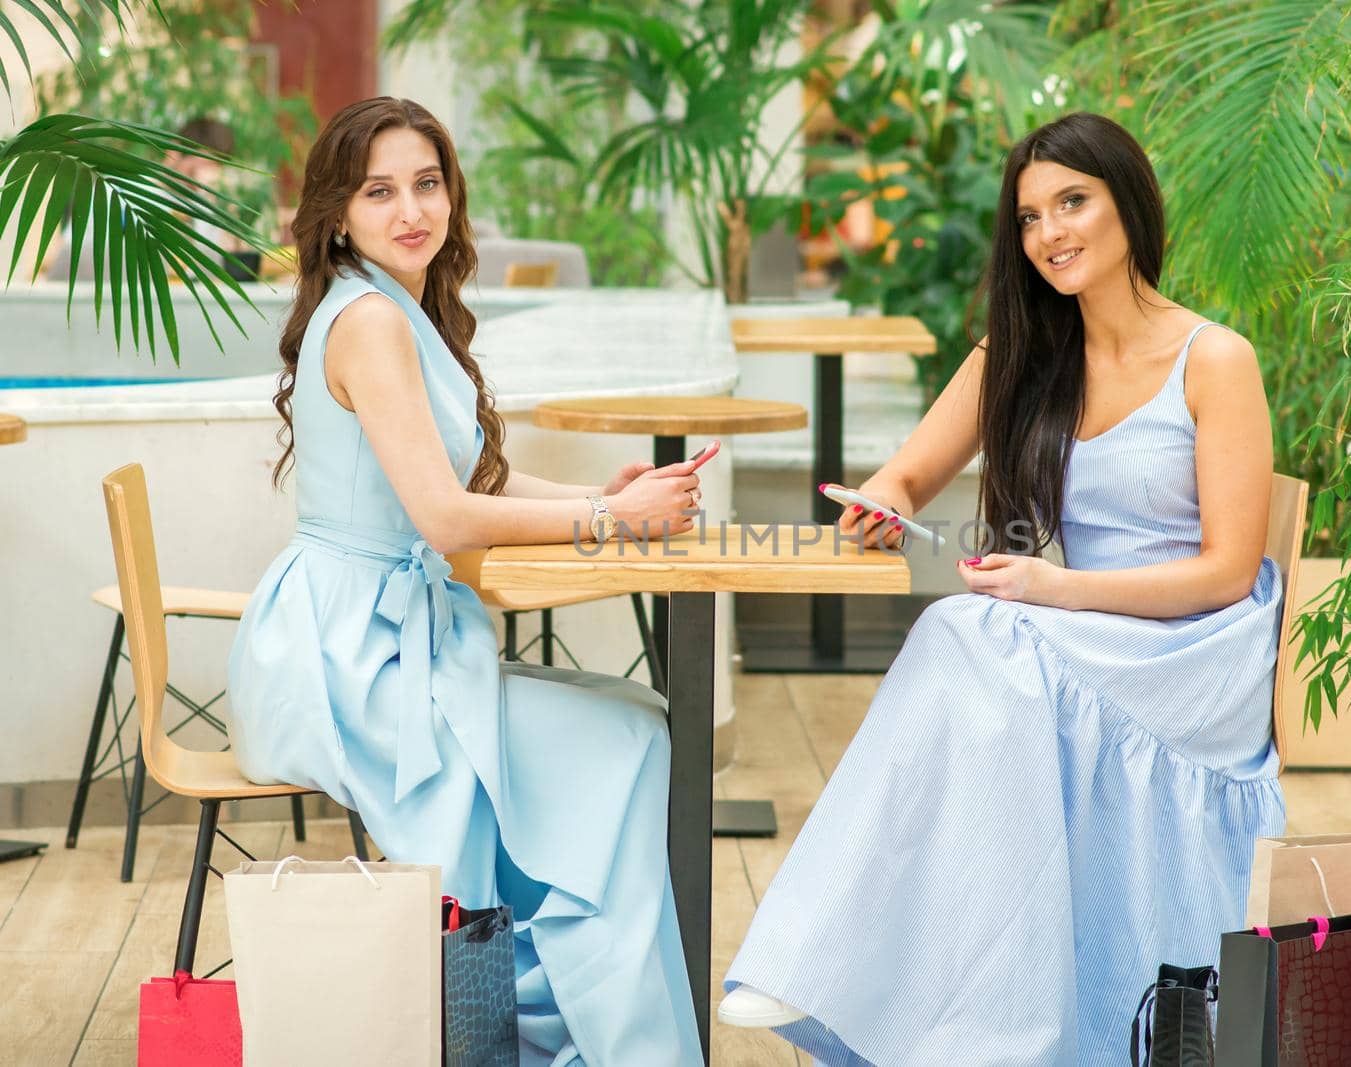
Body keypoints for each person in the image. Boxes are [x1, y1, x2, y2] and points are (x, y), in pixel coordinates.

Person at [719, 112, 1288, 1064]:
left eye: (1073, 202)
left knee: (966, 631)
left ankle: (825, 956)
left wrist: (1053, 591)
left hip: (1190, 645)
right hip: (1081, 634)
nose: (1051, 233)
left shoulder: (1213, 358)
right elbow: (905, 476)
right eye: (1029, 217)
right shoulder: (1019, 354)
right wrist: (881, 503)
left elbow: (1228, 572)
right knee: (968, 645)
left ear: (1128, 206)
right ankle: (875, 976)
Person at [226, 96, 703, 1066]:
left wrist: (598, 492)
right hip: (350, 656)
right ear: (338, 212)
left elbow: (469, 481)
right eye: (380, 190)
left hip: (383, 632)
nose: (412, 209)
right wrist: (616, 520)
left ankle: (550, 1007)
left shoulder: (393, 305)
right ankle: (579, 1025)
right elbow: (447, 520)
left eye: (428, 183)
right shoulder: (367, 320)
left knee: (633, 720)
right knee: (628, 732)